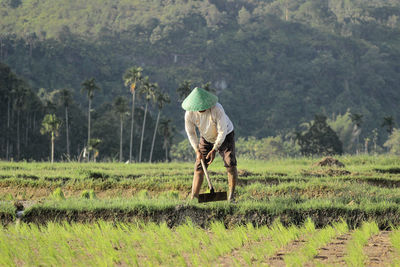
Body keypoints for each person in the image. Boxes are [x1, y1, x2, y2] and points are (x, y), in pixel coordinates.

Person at [182, 87, 238, 202]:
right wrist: (197, 151)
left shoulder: (217, 109)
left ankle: (231, 198)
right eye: (198, 108)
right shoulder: (189, 114)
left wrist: (214, 149)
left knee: (230, 164)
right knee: (199, 167)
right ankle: (194, 198)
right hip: (206, 137)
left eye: (203, 107)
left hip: (225, 135)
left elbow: (222, 131)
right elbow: (191, 133)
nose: (201, 109)